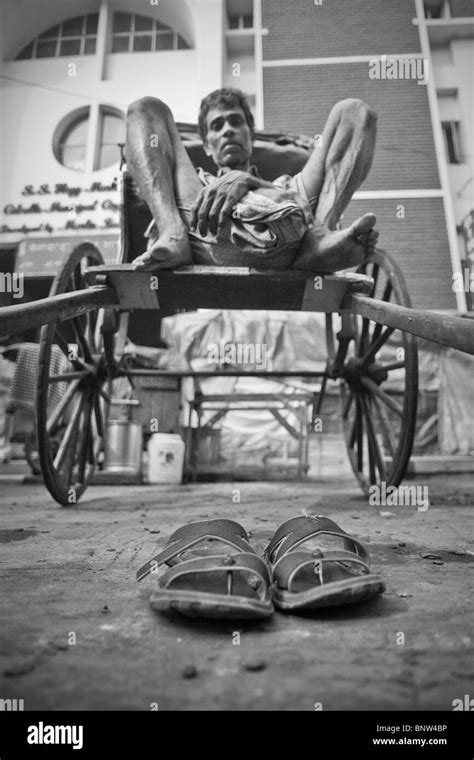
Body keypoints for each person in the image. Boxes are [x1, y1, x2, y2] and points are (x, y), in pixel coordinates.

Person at [125, 87, 379, 273]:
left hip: (292, 231)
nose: (228, 130)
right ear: (207, 146)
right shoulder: (195, 184)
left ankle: (321, 239)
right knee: (145, 108)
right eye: (217, 126)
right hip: (198, 224)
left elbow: (292, 199)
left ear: (250, 135)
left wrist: (247, 180)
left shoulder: (285, 186)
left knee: (354, 110)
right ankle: (171, 232)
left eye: (236, 121)